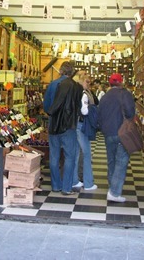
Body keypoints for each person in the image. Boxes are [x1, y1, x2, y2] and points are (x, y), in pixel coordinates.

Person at [44, 61, 83, 195]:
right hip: (68, 126)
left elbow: (46, 106)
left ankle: (55, 185)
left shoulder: (52, 85)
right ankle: (67, 187)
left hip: (53, 123)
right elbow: (78, 107)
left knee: (54, 156)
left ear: (60, 71)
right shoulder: (75, 86)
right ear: (72, 73)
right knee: (70, 156)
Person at [97, 73, 136, 202]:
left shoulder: (104, 96)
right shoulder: (125, 94)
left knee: (111, 161)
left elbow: (99, 115)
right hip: (122, 132)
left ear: (110, 83)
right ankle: (114, 192)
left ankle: (112, 186)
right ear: (121, 82)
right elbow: (130, 112)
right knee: (121, 161)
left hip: (108, 133)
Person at [72, 72, 98, 191]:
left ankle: (74, 180)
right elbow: (84, 111)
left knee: (76, 154)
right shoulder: (84, 94)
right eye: (87, 82)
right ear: (82, 81)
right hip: (82, 125)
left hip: (75, 124)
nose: (89, 84)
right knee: (87, 153)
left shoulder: (75, 92)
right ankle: (88, 183)